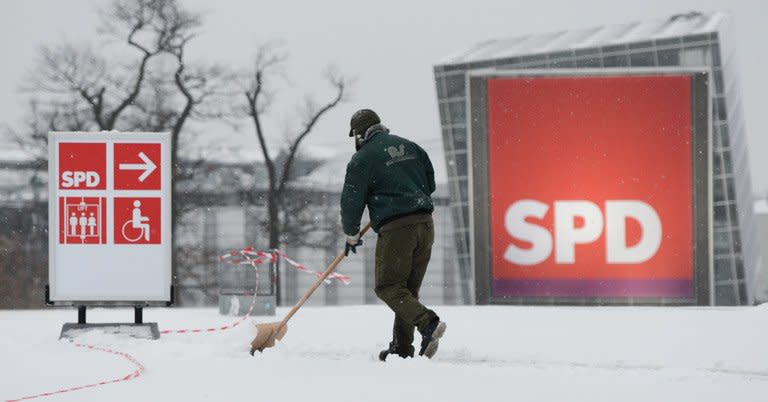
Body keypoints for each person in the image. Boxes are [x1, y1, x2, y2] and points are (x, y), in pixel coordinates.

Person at [340, 108, 446, 361]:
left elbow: (351, 202)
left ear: (359, 134)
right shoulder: (411, 147)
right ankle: (402, 348)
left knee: (388, 287)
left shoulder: (362, 159)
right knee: (406, 291)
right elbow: (429, 185)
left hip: (398, 230)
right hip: (425, 224)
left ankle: (428, 322)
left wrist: (351, 233)